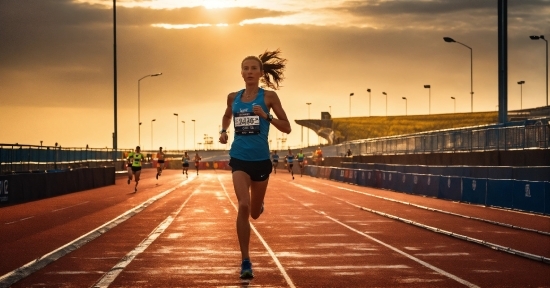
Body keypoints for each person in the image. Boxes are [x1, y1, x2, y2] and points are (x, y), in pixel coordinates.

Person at [218, 50, 291, 280]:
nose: (249, 72)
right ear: (241, 73)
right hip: (239, 158)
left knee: (255, 213)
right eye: (246, 68)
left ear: (260, 73)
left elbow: (287, 127)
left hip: (260, 160)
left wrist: (266, 116)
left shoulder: (268, 97)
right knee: (243, 206)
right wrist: (223, 132)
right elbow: (227, 116)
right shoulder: (233, 97)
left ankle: (259, 205)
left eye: (253, 68)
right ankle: (245, 260)